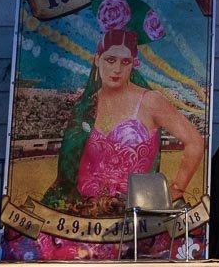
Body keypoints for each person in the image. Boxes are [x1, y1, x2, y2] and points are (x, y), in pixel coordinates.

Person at [36, 25, 205, 258]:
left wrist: (176, 190)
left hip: (138, 223)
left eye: (125, 62)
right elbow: (70, 167)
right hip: (86, 222)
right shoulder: (86, 106)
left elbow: (194, 141)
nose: (117, 69)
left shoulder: (150, 101)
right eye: (110, 60)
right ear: (97, 60)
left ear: (133, 64)